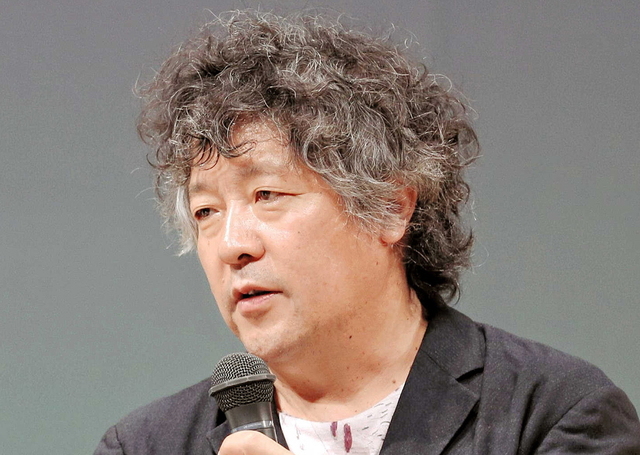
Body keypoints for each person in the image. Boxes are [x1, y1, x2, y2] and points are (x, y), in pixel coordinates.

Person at [95, 10, 640, 455]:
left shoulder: (552, 415)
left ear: (389, 207)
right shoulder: (144, 446)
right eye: (205, 212)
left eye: (267, 195)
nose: (233, 245)